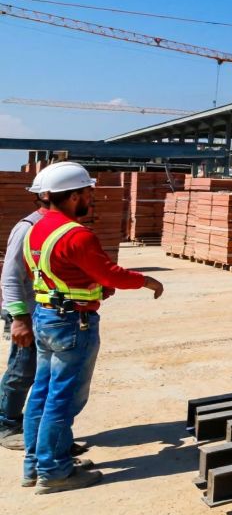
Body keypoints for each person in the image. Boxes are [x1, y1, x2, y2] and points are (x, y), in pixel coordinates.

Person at [23, 162, 164, 493]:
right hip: (73, 323)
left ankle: (35, 464)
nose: (91, 198)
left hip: (45, 317)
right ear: (73, 196)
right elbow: (110, 274)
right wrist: (146, 280)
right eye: (87, 193)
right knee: (63, 399)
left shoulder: (37, 229)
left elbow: (59, 273)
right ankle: (54, 471)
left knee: (41, 394)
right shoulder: (77, 235)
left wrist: (90, 286)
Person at [0, 170, 51, 450]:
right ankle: (6, 423)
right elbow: (9, 276)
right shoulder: (27, 227)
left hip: (47, 313)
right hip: (25, 311)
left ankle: (36, 427)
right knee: (22, 369)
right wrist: (19, 318)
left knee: (45, 372)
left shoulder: (60, 225)